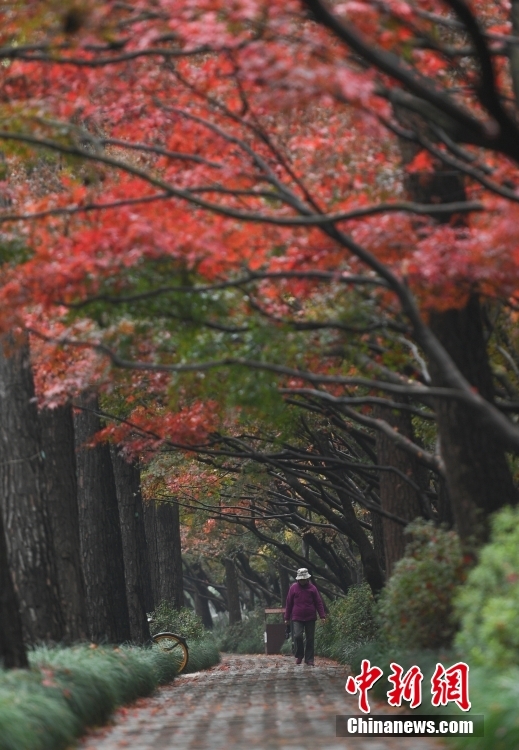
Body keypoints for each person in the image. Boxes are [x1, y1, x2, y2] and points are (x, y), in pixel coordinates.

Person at [284, 568, 326, 666]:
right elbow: (289, 603)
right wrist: (286, 617)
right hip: (297, 617)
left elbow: (318, 602)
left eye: (304, 579)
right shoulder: (293, 588)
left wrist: (322, 615)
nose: (302, 581)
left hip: (310, 617)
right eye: (301, 579)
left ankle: (309, 659)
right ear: (298, 579)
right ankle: (299, 655)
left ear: (307, 579)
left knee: (310, 638)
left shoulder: (312, 588)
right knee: (297, 636)